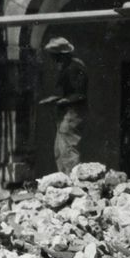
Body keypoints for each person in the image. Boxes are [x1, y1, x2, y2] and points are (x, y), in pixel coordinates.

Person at [39, 37, 88, 174]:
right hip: (67, 112)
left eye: (54, 57)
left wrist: (60, 101)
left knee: (67, 149)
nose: (53, 60)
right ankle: (64, 180)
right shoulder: (67, 67)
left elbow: (79, 94)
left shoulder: (75, 67)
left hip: (73, 113)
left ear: (62, 55)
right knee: (59, 149)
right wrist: (55, 99)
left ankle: (73, 182)